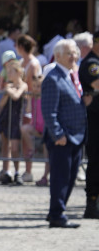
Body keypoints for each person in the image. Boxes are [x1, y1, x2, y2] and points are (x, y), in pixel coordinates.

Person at [41, 39, 89, 228]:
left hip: (76, 135)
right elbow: (48, 110)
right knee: (61, 178)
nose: (73, 56)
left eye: (75, 53)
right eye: (69, 53)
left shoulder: (71, 76)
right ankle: (57, 215)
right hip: (63, 137)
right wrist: (57, 134)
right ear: (58, 56)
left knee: (70, 177)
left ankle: (57, 210)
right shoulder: (53, 78)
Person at [0, 51, 28, 184]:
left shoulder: (23, 85)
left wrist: (8, 90)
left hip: (16, 118)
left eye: (10, 72)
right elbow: (1, 104)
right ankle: (6, 171)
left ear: (18, 72)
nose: (8, 74)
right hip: (6, 116)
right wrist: (7, 91)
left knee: (15, 147)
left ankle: (17, 172)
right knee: (5, 145)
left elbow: (16, 96)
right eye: (7, 72)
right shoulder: (8, 85)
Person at [17, 34, 44, 185]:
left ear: (21, 47)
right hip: (24, 102)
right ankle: (27, 170)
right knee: (24, 138)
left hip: (30, 104)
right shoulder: (23, 61)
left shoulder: (33, 64)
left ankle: (29, 171)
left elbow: (34, 86)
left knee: (27, 136)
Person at [80, 32, 99, 219]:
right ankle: (92, 204)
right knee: (95, 162)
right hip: (94, 122)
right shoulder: (91, 64)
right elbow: (97, 83)